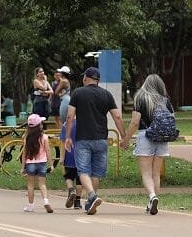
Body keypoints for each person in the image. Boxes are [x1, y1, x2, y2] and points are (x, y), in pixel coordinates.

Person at [63, 67, 127, 215]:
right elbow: (117, 116)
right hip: (101, 139)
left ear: (86, 78)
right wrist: (124, 136)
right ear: (97, 80)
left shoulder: (78, 92)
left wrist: (67, 137)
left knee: (83, 171)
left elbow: (70, 116)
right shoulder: (106, 94)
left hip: (83, 139)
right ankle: (90, 203)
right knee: (96, 173)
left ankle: (92, 195)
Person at [120, 74, 174, 215]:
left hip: (145, 136)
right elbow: (172, 119)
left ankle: (152, 196)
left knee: (146, 173)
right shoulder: (165, 100)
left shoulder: (141, 98)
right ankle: (153, 202)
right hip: (162, 137)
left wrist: (126, 139)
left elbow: (135, 122)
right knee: (156, 174)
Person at [21, 114, 53, 213]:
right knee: (42, 184)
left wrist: (23, 167)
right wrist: (51, 164)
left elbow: (24, 153)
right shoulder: (44, 137)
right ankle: (46, 201)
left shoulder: (27, 137)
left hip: (30, 164)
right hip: (42, 163)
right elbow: (47, 150)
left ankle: (31, 206)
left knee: (30, 185)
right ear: (39, 126)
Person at [60, 119, 82, 209]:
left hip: (69, 155)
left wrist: (62, 157)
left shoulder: (66, 124)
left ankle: (71, 189)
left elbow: (63, 141)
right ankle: (77, 202)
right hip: (82, 156)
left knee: (68, 176)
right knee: (79, 180)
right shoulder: (84, 123)